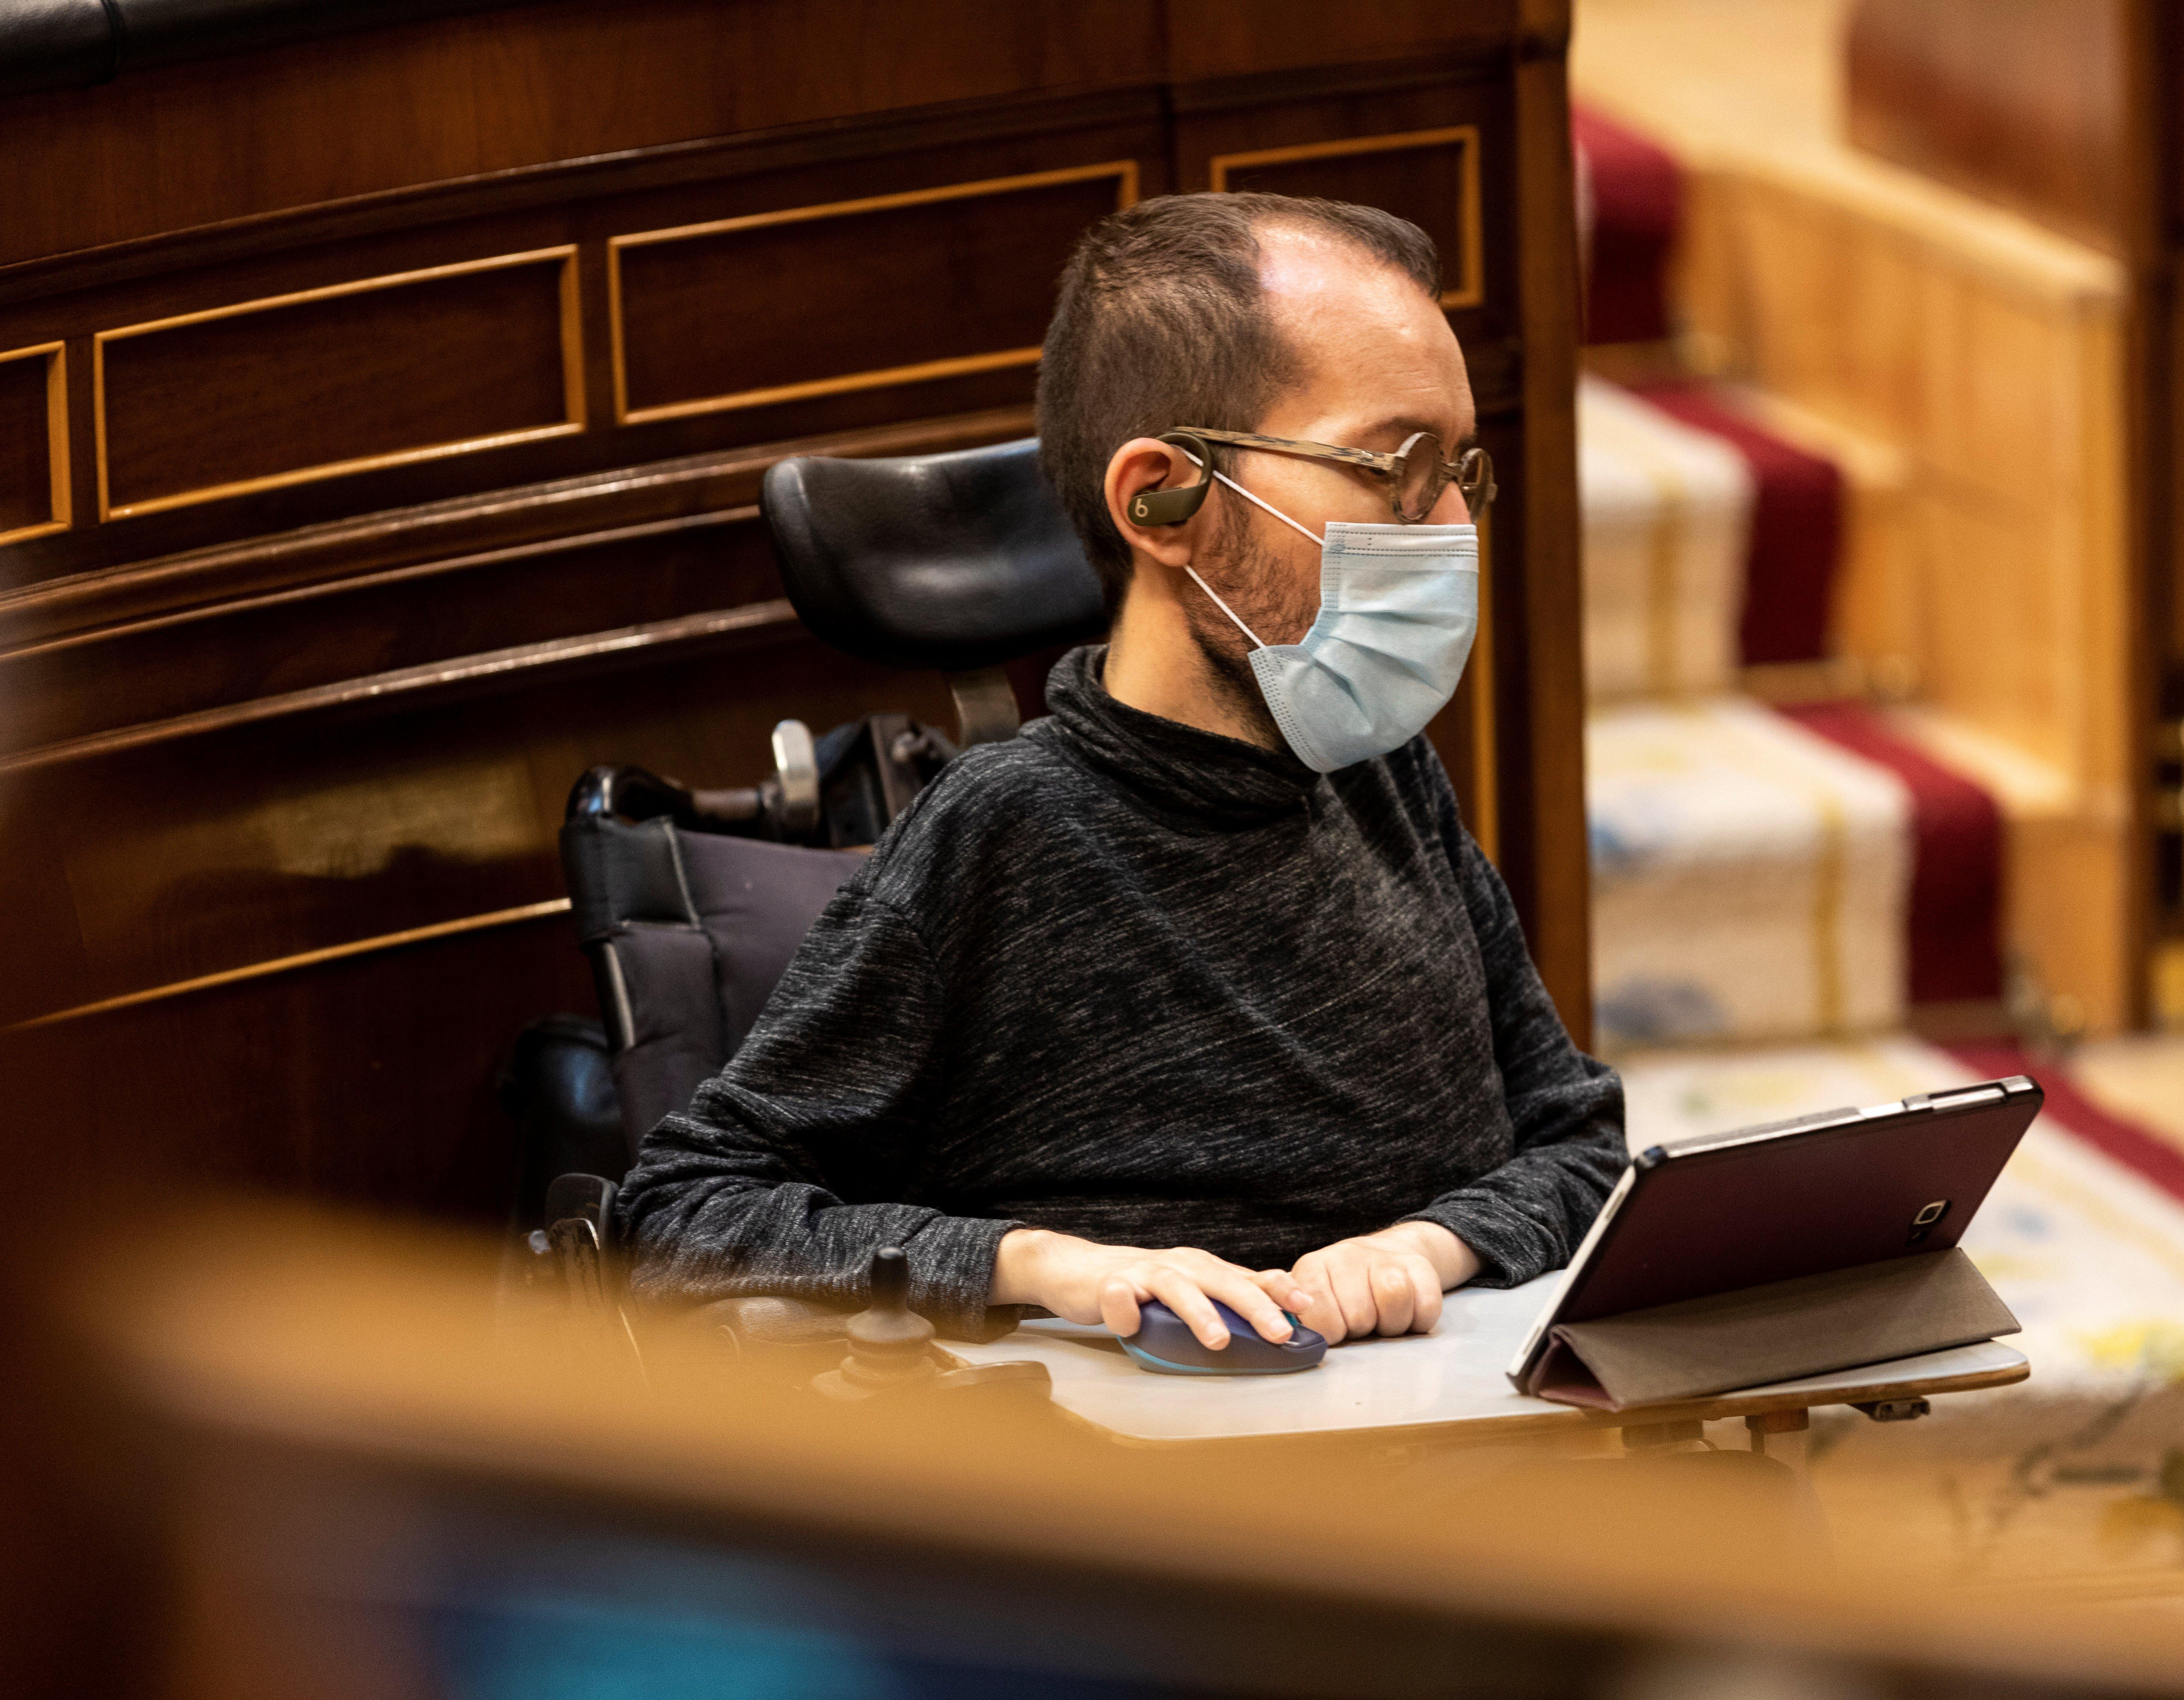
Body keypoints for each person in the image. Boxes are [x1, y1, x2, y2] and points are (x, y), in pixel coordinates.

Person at [617, 192, 1625, 1352]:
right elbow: (684, 1214)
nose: (1450, 523)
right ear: (1165, 501)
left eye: (1460, 469)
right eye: (1394, 463)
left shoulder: (1387, 782)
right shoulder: (1006, 832)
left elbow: (1579, 1140)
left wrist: (1429, 1246)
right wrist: (1046, 1268)